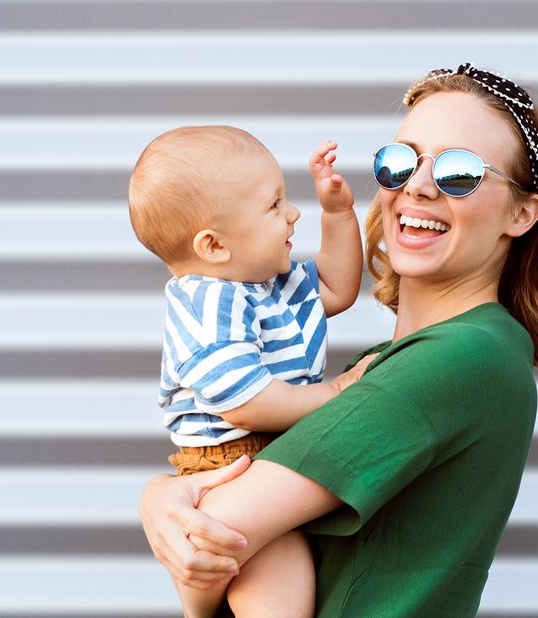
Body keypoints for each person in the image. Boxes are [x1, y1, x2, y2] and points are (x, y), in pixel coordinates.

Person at [139, 63, 538, 616]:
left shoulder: (463, 357)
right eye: (402, 162)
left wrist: (160, 501)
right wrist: (164, 500)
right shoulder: (393, 362)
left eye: (459, 172)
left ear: (522, 213)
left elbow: (214, 536)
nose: (418, 186)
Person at [127, 125, 367, 617]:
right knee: (282, 582)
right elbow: (247, 400)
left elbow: (338, 289)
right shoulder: (209, 301)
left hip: (265, 455)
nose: (292, 214)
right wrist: (333, 393)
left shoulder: (268, 285)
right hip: (229, 465)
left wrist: (338, 214)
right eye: (274, 205)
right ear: (214, 246)